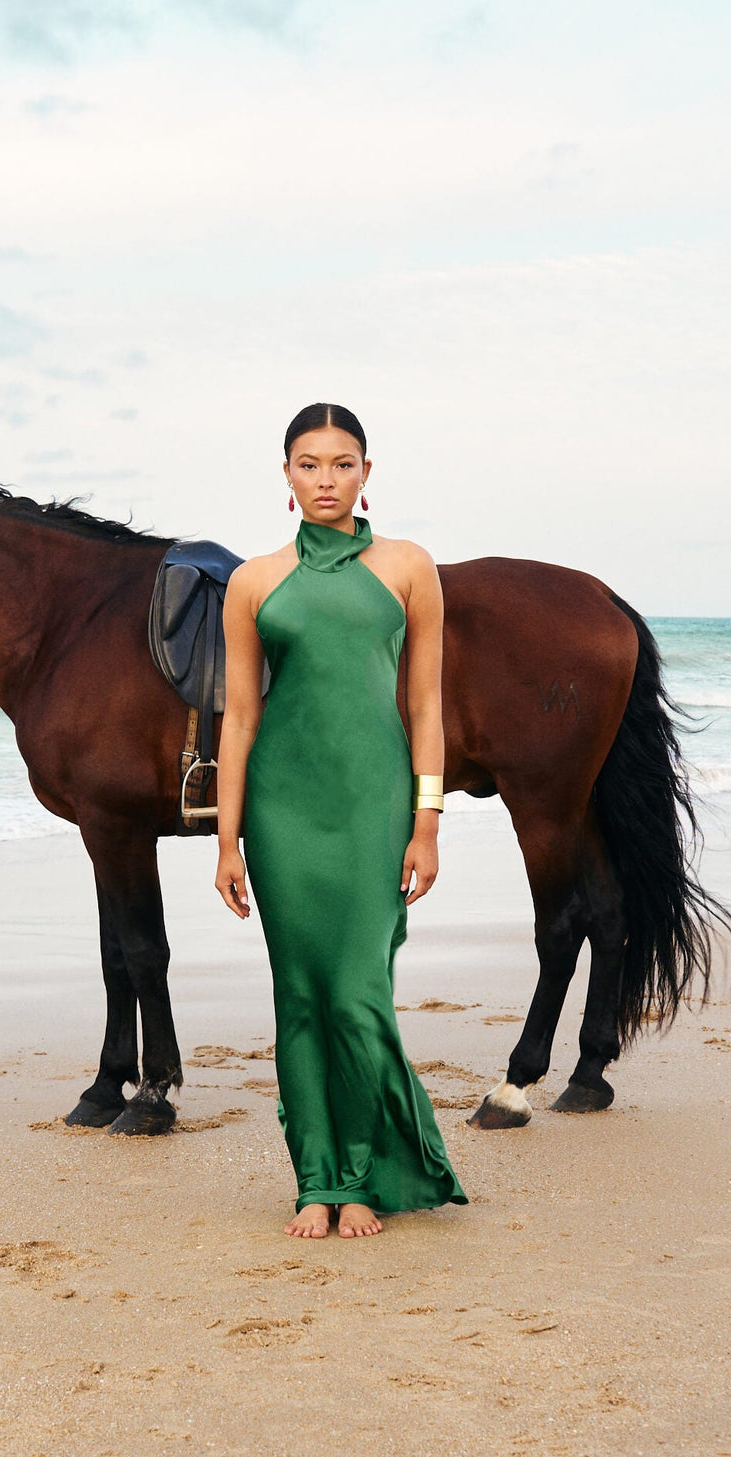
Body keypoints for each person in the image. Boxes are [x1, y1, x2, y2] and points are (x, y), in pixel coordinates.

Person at [215, 403, 467, 1239]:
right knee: (299, 997)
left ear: (367, 472)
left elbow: (425, 704)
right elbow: (241, 719)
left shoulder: (408, 567)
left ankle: (359, 1176)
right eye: (309, 464)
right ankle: (314, 1183)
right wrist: (227, 837)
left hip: (374, 804)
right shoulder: (253, 581)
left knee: (360, 996)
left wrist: (425, 820)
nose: (326, 479)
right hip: (283, 812)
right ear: (285, 476)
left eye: (343, 463)